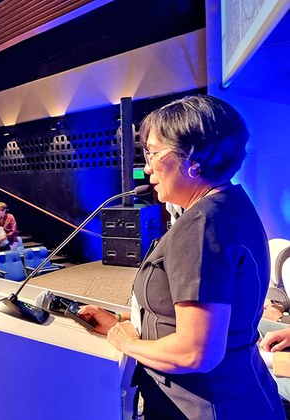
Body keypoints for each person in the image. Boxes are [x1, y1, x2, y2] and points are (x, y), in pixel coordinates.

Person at [78, 95, 282, 418]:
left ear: (193, 158)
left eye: (154, 153)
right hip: (242, 397)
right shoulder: (231, 203)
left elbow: (196, 351)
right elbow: (197, 314)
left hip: (207, 407)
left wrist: (126, 340)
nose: (146, 168)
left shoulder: (200, 224)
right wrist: (121, 320)